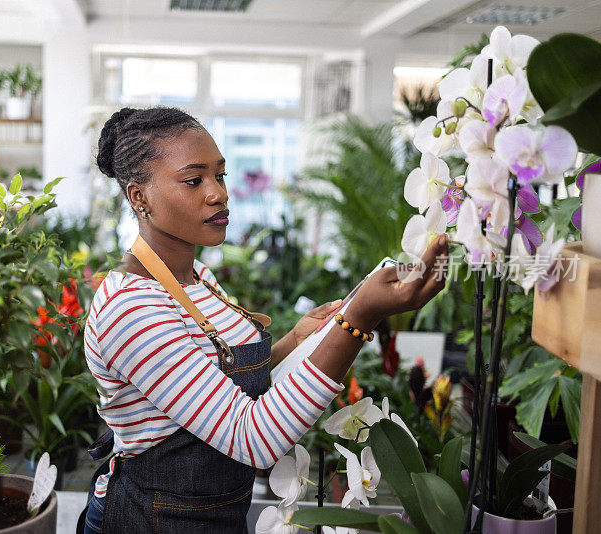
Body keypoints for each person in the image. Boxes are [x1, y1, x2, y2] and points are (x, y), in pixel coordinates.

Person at [77, 107, 448, 534]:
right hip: (157, 520)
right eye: (194, 180)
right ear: (138, 196)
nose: (218, 193)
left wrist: (297, 339)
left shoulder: (199, 279)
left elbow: (212, 388)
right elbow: (250, 437)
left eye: (220, 175)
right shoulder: (133, 307)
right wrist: (360, 318)